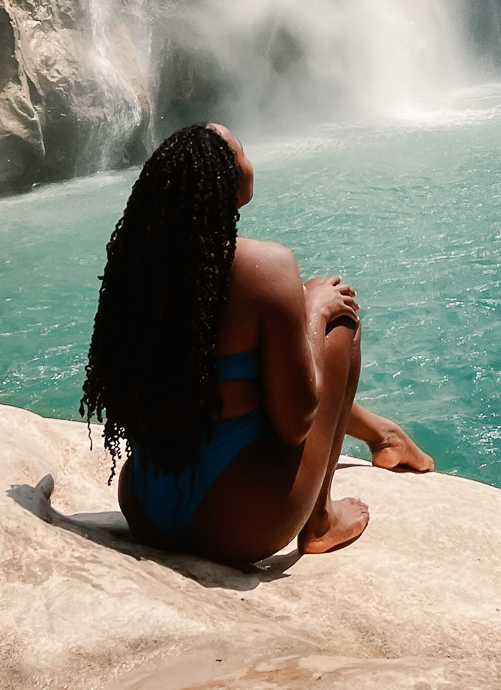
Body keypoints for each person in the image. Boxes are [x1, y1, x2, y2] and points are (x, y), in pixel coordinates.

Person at [80, 121, 433, 564]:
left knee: (268, 347)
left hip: (146, 507)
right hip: (237, 525)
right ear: (229, 178)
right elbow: (297, 421)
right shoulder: (266, 266)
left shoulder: (140, 270)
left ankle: (383, 433)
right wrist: (313, 311)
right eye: (242, 147)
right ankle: (320, 520)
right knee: (336, 323)